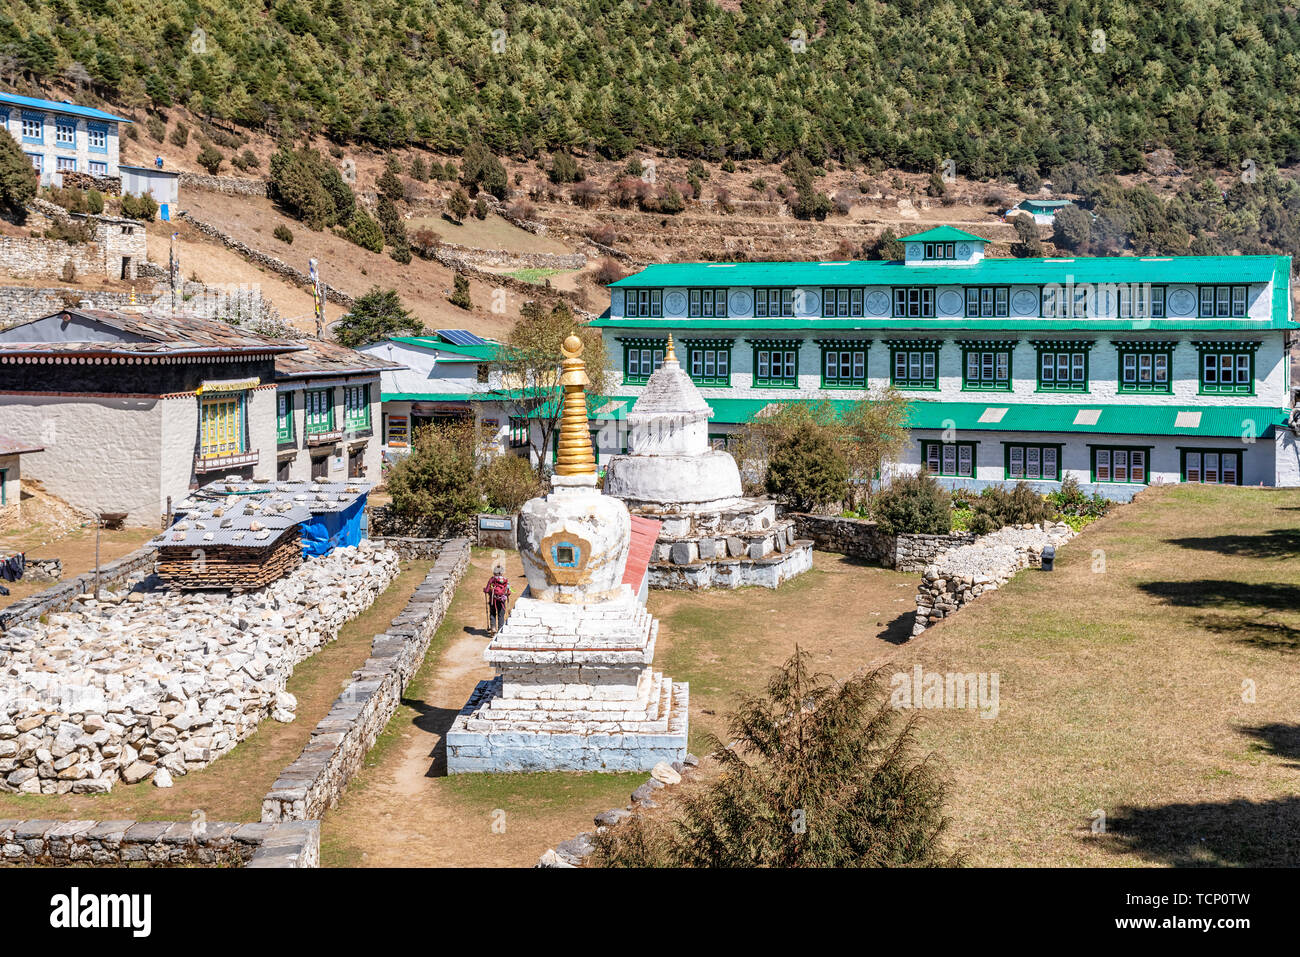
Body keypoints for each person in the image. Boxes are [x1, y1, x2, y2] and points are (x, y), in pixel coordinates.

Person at [483, 565, 511, 635]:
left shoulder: (492, 579)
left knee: (492, 613)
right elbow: (508, 592)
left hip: (493, 599)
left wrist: (485, 590)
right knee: (501, 615)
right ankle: (500, 630)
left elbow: (486, 590)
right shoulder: (505, 580)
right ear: (502, 572)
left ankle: (493, 628)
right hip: (502, 600)